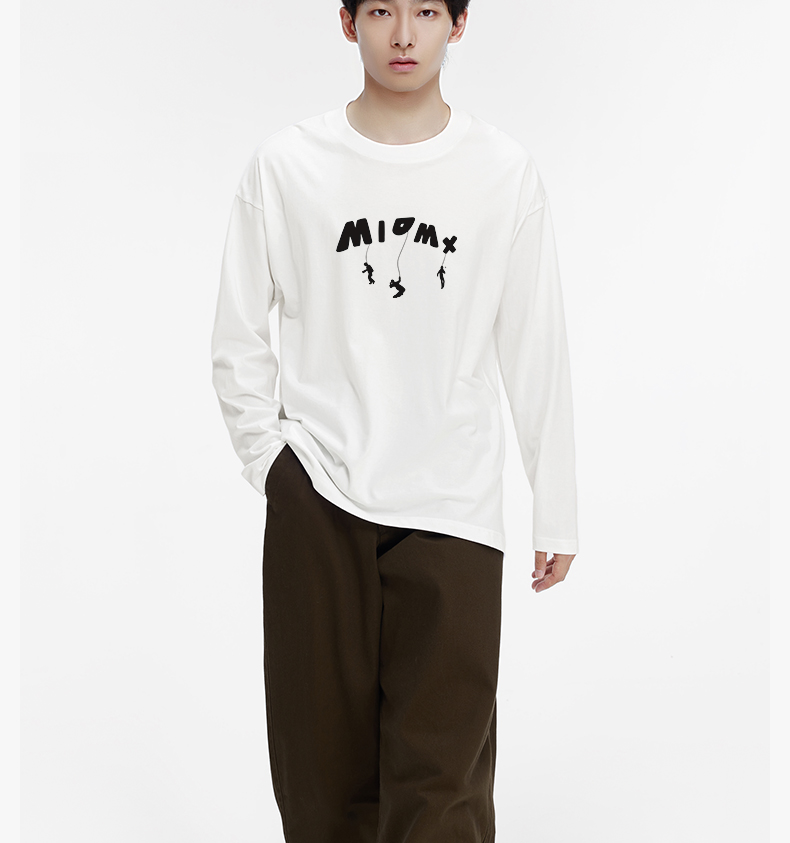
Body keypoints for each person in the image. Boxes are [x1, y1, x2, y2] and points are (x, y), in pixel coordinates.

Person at [210, 1, 579, 840]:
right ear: (347, 23)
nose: (404, 35)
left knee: (443, 790)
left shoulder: (502, 172)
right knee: (321, 785)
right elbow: (238, 337)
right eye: (381, 10)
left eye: (425, 12)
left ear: (458, 24)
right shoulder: (287, 166)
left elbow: (536, 344)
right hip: (318, 499)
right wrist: (274, 466)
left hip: (453, 507)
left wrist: (554, 503)